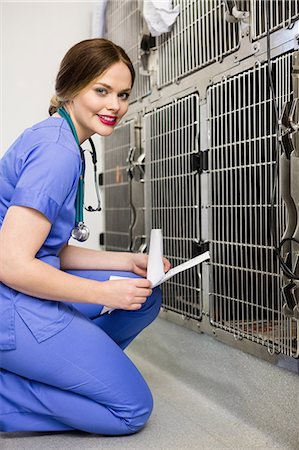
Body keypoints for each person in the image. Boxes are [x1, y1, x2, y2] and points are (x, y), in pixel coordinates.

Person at [0, 38, 170, 435]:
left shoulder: (61, 139)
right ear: (71, 88)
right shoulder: (57, 152)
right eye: (102, 90)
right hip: (11, 304)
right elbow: (10, 264)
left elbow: (46, 249)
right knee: (131, 409)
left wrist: (125, 261)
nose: (115, 105)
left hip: (22, 288)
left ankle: (64, 365)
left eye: (123, 94)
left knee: (142, 292)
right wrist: (101, 294)